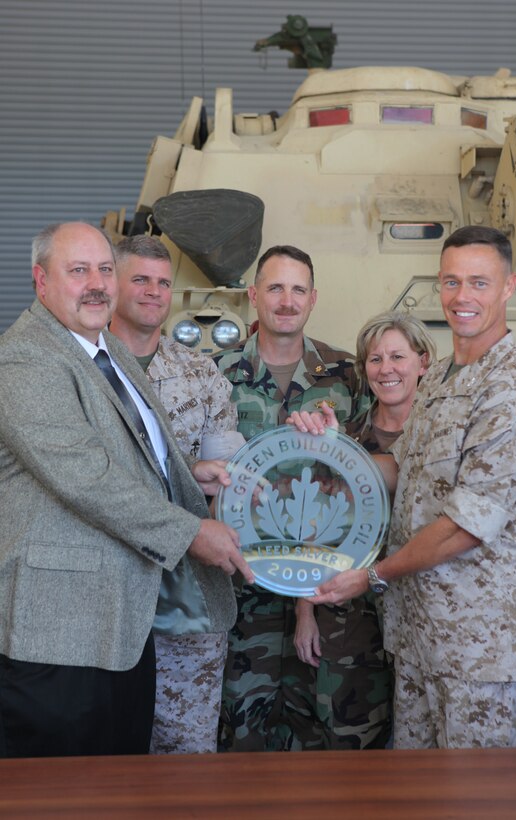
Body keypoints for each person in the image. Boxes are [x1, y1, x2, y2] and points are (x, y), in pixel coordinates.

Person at [0, 222, 252, 759]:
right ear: (41, 281)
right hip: (60, 628)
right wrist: (188, 532)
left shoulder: (105, 346)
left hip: (121, 622)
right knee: (57, 792)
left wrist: (183, 472)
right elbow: (81, 472)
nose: (96, 283)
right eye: (78, 270)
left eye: (104, 269)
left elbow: (130, 449)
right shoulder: (25, 358)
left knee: (120, 783)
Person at [295, 226, 516, 749]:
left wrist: (374, 576)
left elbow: (464, 530)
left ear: (508, 286)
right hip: (418, 640)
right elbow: (396, 470)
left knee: (478, 800)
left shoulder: (511, 389)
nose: (462, 296)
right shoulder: (444, 377)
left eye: (479, 281)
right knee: (418, 797)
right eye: (451, 282)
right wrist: (338, 450)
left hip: (478, 650)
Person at [213, 244, 368, 751]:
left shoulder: (347, 374)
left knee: (325, 736)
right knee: (240, 732)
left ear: (313, 298)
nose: (286, 300)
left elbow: (367, 479)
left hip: (324, 589)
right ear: (254, 296)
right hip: (241, 589)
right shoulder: (214, 374)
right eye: (275, 288)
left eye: (297, 289)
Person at [110, 234, 244, 754]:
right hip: (105, 599)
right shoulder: (84, 368)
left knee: (186, 758)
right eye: (139, 279)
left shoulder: (201, 375)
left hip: (187, 603)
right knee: (102, 758)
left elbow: (226, 486)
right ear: (113, 284)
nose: (153, 292)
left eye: (163, 282)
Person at [293, 311, 437, 749]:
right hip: (349, 619)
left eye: (397, 356)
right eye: (375, 359)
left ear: (423, 362)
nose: (386, 369)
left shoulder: (440, 435)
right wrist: (305, 614)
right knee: (350, 743)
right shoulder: (345, 436)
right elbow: (312, 526)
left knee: (426, 746)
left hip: (426, 614)